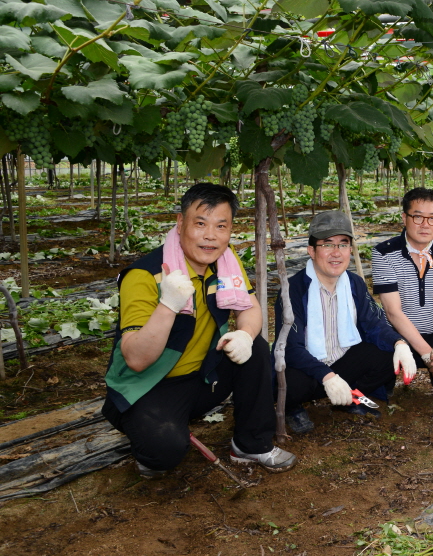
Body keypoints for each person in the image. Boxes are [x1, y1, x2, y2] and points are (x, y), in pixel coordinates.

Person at [102, 183, 296, 478]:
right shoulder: (145, 275)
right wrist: (167, 305)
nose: (210, 236)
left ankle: (250, 444)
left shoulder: (226, 263)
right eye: (200, 223)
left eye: (221, 226)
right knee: (164, 452)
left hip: (203, 377)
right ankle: (150, 437)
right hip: (149, 386)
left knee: (254, 346)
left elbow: (250, 308)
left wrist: (244, 334)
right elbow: (136, 359)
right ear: (180, 224)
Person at [275, 210, 417, 433]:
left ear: (350, 250)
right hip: (309, 368)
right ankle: (294, 408)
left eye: (343, 244)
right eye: (327, 244)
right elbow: (290, 347)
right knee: (288, 381)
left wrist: (400, 344)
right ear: (311, 251)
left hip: (342, 361)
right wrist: (327, 376)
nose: (336, 253)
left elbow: (374, 323)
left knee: (387, 354)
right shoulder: (293, 289)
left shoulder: (354, 283)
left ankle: (350, 397)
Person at [371, 187, 433, 398]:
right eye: (418, 217)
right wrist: (427, 354)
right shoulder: (383, 253)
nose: (425, 225)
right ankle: (386, 381)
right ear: (404, 217)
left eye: (432, 218)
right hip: (399, 332)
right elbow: (393, 312)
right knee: (379, 359)